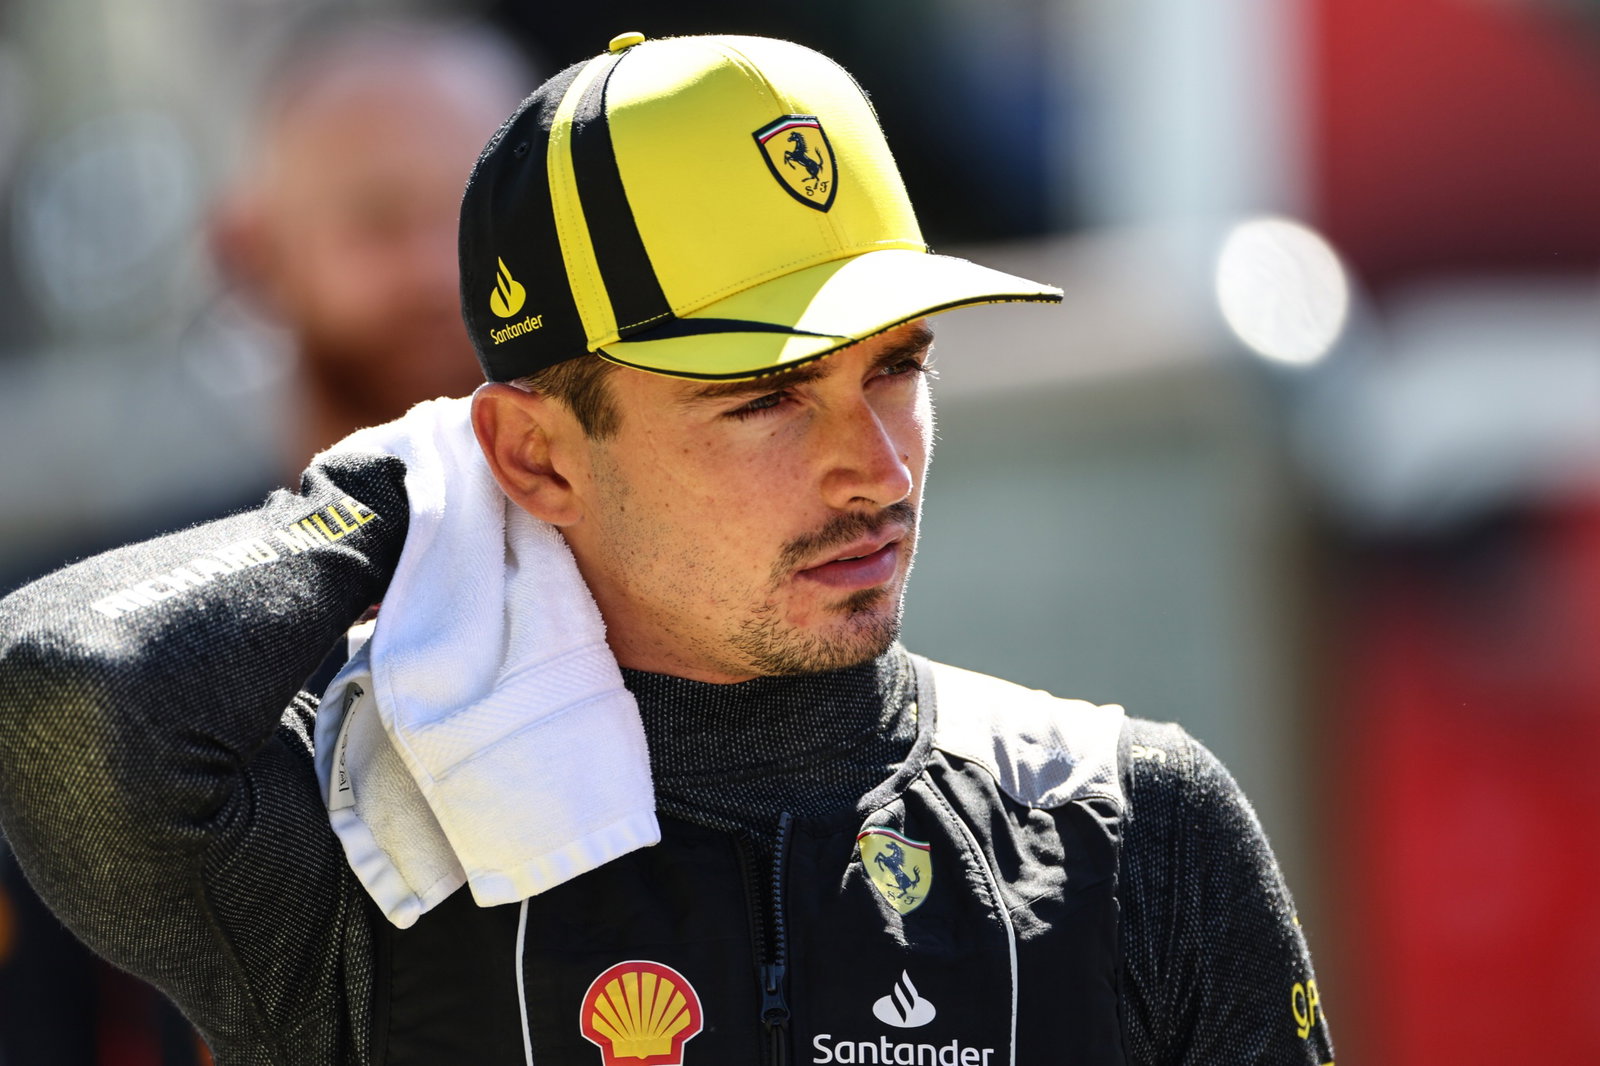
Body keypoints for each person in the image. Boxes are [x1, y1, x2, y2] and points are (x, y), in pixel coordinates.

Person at [0, 31, 1336, 1066]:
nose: (875, 471)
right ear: (533, 456)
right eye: (762, 399)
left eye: (897, 369)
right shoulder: (372, 844)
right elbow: (65, 698)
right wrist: (403, 493)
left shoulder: (1135, 822)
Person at [0, 15, 530, 1066]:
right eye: (381, 221)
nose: (442, 272)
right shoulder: (105, 651)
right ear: (247, 253)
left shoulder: (673, 602)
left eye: (484, 223)